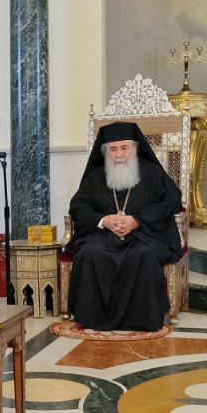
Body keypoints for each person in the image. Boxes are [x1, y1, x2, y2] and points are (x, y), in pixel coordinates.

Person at [67, 121, 182, 332]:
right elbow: (78, 206)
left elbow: (172, 200)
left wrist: (137, 220)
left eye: (124, 148)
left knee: (143, 255)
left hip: (143, 235)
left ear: (135, 149)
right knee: (89, 254)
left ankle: (141, 320)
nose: (119, 154)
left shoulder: (151, 173)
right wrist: (104, 221)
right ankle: (92, 317)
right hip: (103, 236)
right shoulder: (95, 176)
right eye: (113, 149)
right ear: (105, 152)